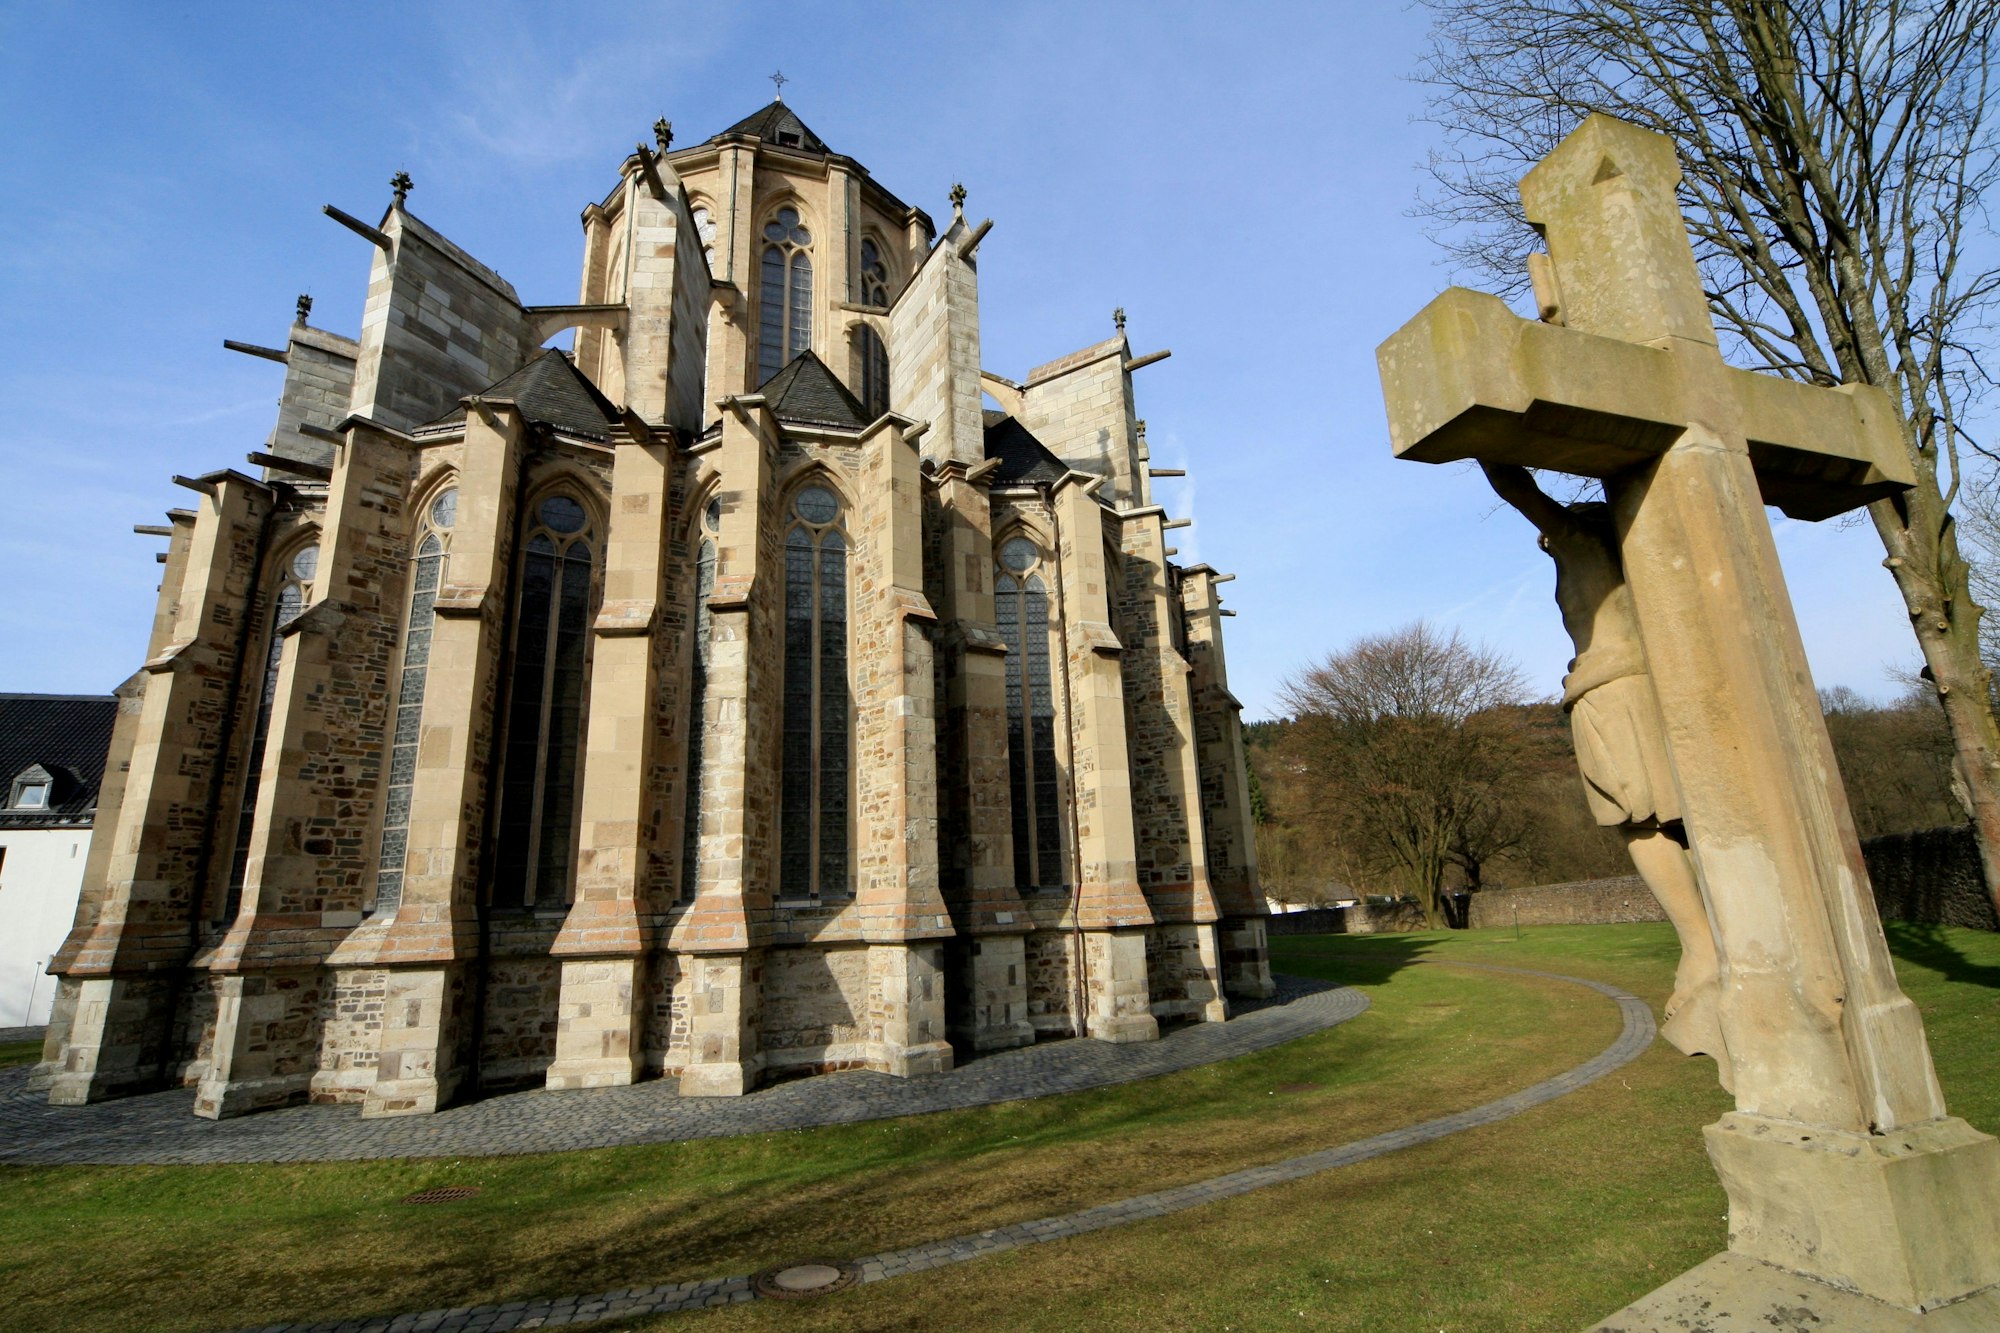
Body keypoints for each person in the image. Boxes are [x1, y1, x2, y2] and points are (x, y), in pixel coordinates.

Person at [1481, 461, 1733, 1089]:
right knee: (1677, 819)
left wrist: (1484, 448)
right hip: (1651, 679)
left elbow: (1515, 487)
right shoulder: (1637, 554)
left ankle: (1700, 945)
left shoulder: (1582, 541)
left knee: (1638, 821)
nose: (1541, 537)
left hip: (1613, 688)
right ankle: (1717, 938)